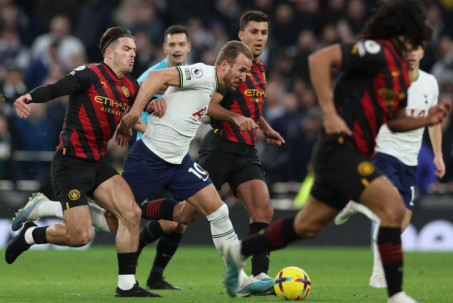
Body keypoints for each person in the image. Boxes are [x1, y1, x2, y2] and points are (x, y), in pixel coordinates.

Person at [221, 1, 450, 303]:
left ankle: (238, 251)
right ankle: (396, 295)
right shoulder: (374, 51)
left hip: (351, 153)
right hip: (341, 149)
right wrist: (328, 113)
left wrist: (427, 119)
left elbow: (393, 122)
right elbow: (320, 59)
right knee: (394, 208)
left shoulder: (400, 75)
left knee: (306, 226)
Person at [10, 25, 193, 291]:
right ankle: (32, 233)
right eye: (126, 49)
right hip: (70, 163)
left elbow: (139, 107)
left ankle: (127, 285)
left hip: (96, 164)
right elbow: (57, 88)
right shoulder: (90, 73)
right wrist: (29, 97)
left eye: (134, 49)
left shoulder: (130, 86)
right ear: (109, 53)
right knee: (81, 236)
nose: (132, 54)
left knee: (129, 213)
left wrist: (154, 105)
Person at [121, 40, 274, 295]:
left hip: (179, 161)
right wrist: (136, 111)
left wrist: (155, 102)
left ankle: (238, 279)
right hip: (151, 156)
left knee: (219, 211)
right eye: (242, 70)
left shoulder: (214, 88)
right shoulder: (203, 73)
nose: (244, 78)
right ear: (224, 65)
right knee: (111, 219)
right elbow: (158, 76)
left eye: (248, 72)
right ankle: (47, 210)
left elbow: (174, 100)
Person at [334, 45, 445, 288]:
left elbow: (434, 121)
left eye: (417, 48)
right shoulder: (388, 82)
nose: (413, 53)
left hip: (410, 160)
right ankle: (378, 275)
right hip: (383, 152)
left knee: (402, 221)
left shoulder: (430, 83)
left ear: (423, 53)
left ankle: (357, 203)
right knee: (390, 211)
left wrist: (438, 155)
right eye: (408, 49)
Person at [198, 10, 284, 296]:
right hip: (220, 148)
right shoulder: (233, 67)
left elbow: (251, 110)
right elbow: (210, 107)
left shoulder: (260, 69)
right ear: (241, 35)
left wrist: (266, 128)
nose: (259, 37)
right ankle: (139, 223)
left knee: (263, 208)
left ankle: (259, 275)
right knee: (182, 215)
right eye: (254, 32)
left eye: (264, 32)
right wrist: (235, 120)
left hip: (246, 150)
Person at [135, 24, 194, 290]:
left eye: (182, 44)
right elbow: (131, 113)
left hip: (176, 156)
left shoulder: (190, 75)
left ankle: (156, 278)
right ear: (165, 48)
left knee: (181, 222)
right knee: (172, 220)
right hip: (150, 157)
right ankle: (132, 242)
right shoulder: (152, 76)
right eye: (173, 45)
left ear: (188, 47)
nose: (178, 49)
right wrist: (154, 136)